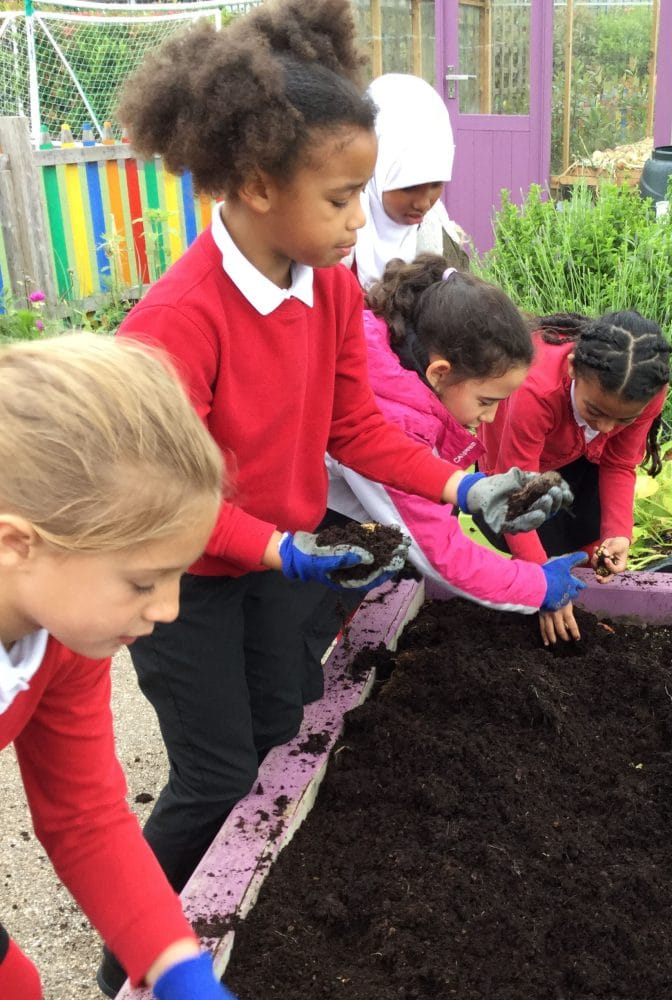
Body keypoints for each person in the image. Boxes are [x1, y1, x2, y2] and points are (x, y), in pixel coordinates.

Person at [97, 1, 571, 993]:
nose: (363, 222)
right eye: (344, 197)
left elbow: (350, 427)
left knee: (282, 727)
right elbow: (158, 501)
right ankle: (132, 958)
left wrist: (465, 484)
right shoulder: (178, 322)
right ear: (260, 185)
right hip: (182, 577)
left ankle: (226, 911)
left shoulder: (328, 292)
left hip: (279, 557)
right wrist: (277, 551)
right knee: (216, 771)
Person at [0, 333, 232, 1000]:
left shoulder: (64, 637)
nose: (169, 609)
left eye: (178, 576)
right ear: (18, 543)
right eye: (142, 582)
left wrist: (177, 968)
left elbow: (85, 816)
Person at [326, 255, 588, 645]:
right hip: (276, 543)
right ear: (439, 372)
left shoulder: (389, 349)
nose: (490, 417)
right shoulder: (393, 418)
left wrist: (471, 491)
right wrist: (537, 586)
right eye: (486, 401)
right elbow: (439, 553)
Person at [476, 310, 672, 639]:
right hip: (511, 474)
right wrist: (542, 581)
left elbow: (619, 463)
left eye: (622, 420)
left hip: (579, 457)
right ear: (571, 369)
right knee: (538, 544)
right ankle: (535, 596)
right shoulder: (536, 390)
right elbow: (514, 494)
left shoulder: (645, 393)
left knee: (590, 533)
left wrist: (619, 534)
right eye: (595, 411)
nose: (607, 428)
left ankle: (580, 605)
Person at [349, 72, 468, 289]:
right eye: (409, 187)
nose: (423, 204)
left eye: (436, 185)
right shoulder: (339, 241)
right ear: (375, 171)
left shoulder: (437, 235)